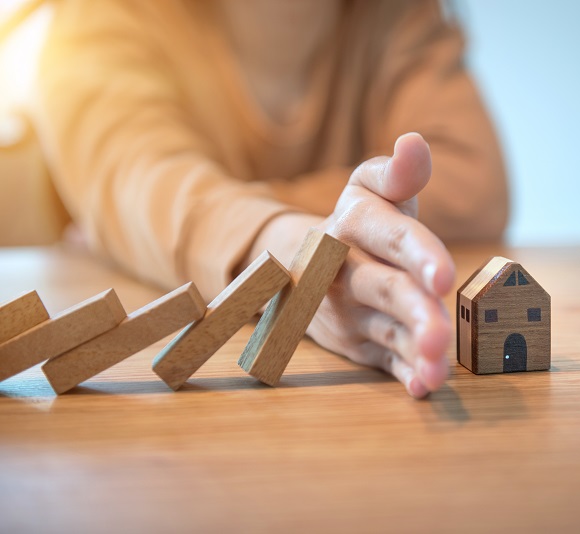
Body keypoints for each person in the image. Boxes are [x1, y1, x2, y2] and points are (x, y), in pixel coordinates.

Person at [31, 0, 508, 398]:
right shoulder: (104, 14)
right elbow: (135, 176)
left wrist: (273, 224)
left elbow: (473, 183)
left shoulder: (400, 14)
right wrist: (294, 242)